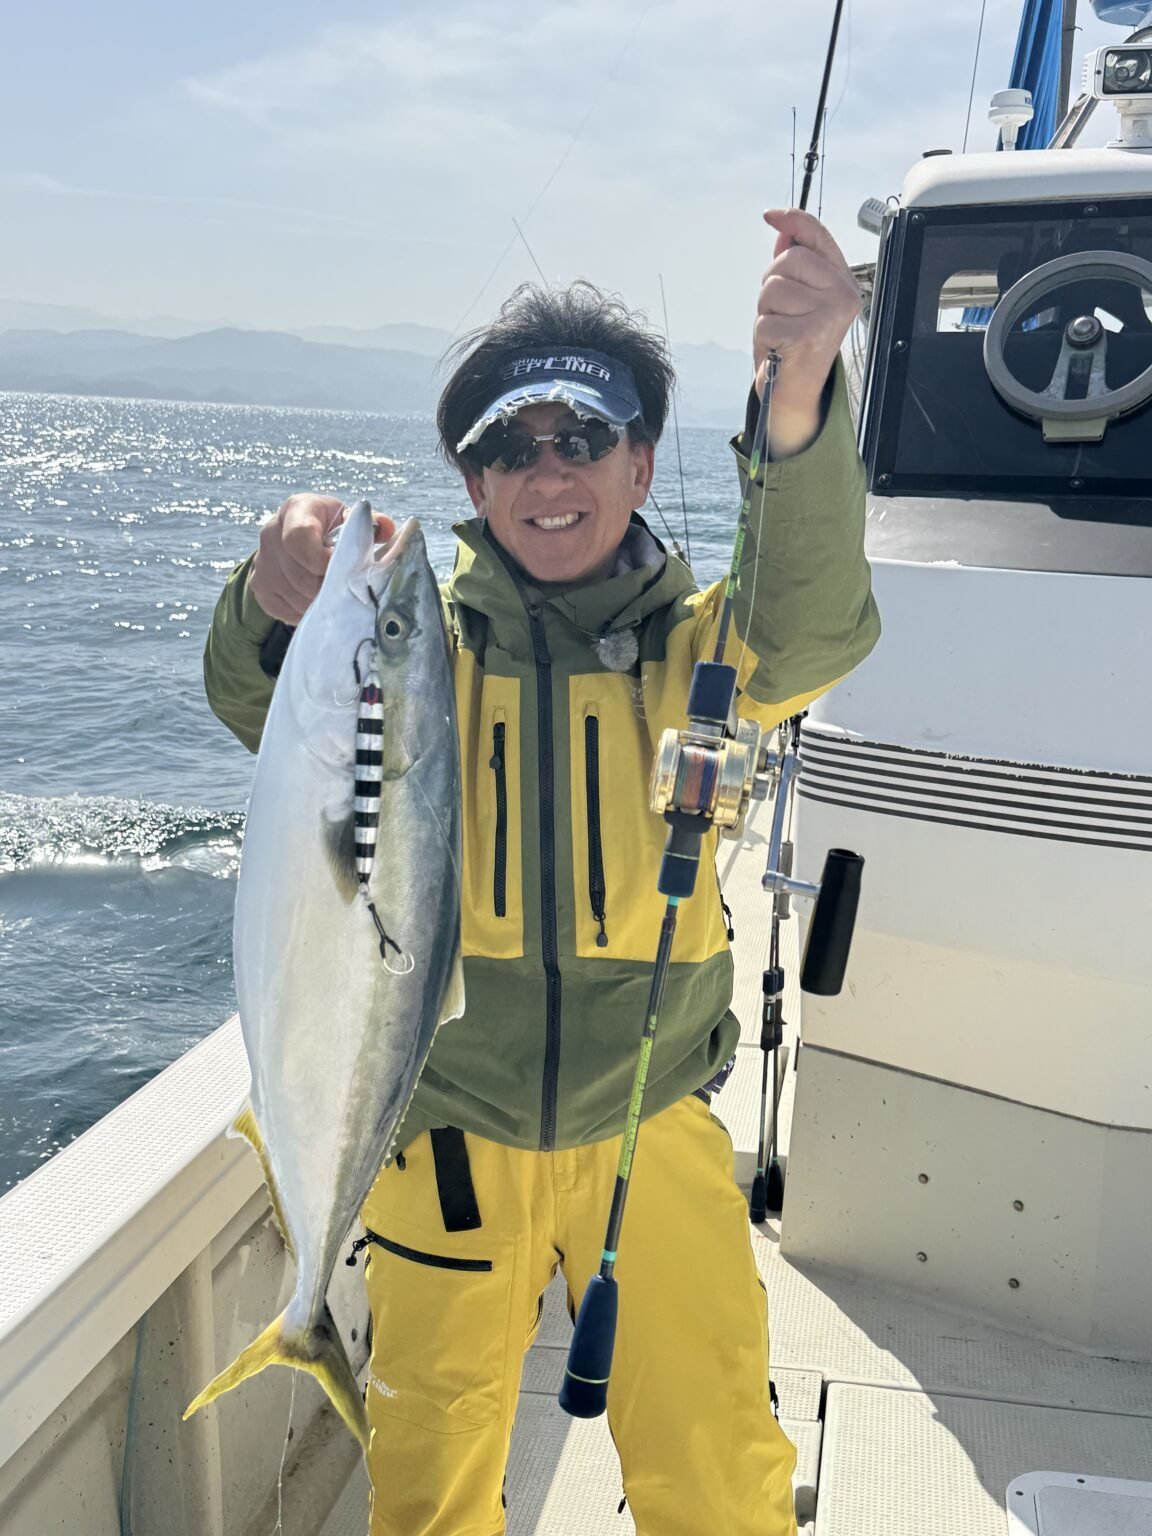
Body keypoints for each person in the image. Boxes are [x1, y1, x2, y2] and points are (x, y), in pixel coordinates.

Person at [203, 206, 879, 1536]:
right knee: (431, 1484)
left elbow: (814, 624)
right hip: (447, 1140)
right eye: (510, 445)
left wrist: (797, 398)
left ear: (642, 461)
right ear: (473, 483)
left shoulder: (704, 649)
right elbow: (261, 705)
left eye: (585, 435)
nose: (547, 469)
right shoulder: (413, 652)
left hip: (654, 1122)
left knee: (717, 1468)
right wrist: (269, 596)